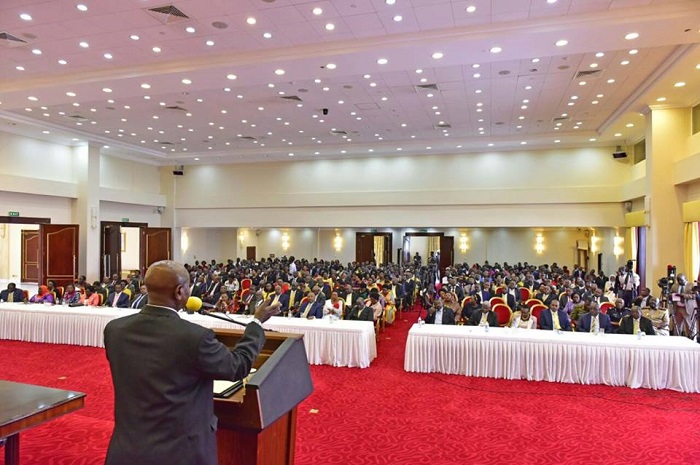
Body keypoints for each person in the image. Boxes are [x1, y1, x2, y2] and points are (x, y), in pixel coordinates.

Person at [103, 260, 279, 465]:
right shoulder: (195, 338)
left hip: (128, 448)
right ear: (180, 291)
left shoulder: (115, 330)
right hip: (180, 452)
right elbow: (237, 366)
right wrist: (256, 323)